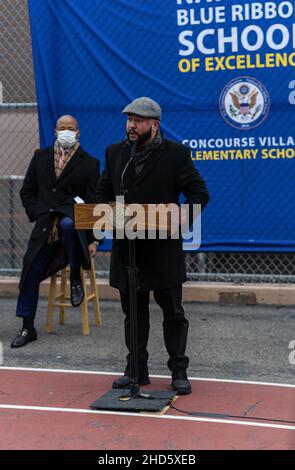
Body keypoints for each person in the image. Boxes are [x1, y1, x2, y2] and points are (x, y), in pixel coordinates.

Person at [96, 97, 209, 394]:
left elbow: (198, 192)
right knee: (133, 314)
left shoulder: (176, 155)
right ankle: (136, 369)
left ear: (154, 124)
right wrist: (104, 208)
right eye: (129, 120)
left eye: (138, 121)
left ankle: (179, 370)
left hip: (162, 250)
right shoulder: (114, 154)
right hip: (128, 249)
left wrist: (184, 214)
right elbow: (102, 192)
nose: (131, 126)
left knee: (172, 311)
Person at [11, 115, 100, 348]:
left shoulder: (90, 163)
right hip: (45, 229)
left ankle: (75, 277)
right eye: (62, 128)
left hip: (74, 233)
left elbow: (93, 204)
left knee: (68, 224)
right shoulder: (40, 157)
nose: (66, 131)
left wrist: (94, 240)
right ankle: (27, 326)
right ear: (55, 131)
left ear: (78, 132)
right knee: (31, 268)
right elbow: (27, 192)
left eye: (71, 128)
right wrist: (40, 212)